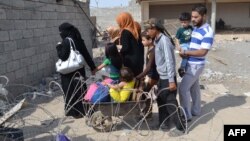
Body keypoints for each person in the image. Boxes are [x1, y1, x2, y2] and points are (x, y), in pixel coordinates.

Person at [144, 18, 185, 131]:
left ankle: (181, 127)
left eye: (148, 30)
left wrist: (171, 81)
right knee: (161, 101)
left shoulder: (164, 41)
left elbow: (169, 61)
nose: (147, 32)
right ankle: (164, 123)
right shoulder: (157, 40)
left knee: (171, 103)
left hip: (168, 78)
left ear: (155, 29)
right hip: (162, 77)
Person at [179, 4, 214, 122]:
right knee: (194, 88)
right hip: (190, 62)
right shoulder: (194, 28)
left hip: (196, 65)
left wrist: (186, 52)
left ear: (204, 16)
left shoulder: (207, 31)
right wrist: (184, 52)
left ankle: (186, 115)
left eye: (196, 17)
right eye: (192, 17)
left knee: (183, 89)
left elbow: (203, 52)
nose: (193, 19)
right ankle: (196, 110)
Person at [56, 22, 96, 118]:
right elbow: (86, 54)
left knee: (70, 91)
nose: (60, 34)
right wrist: (93, 67)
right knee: (80, 90)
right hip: (78, 70)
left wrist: (58, 47)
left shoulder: (66, 41)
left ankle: (74, 112)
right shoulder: (78, 39)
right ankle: (84, 109)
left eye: (61, 32)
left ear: (65, 31)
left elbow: (63, 56)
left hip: (68, 73)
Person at [136, 31, 159, 118]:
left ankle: (148, 112)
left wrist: (138, 77)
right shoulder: (149, 49)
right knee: (147, 95)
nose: (142, 42)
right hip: (150, 75)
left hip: (153, 76)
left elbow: (149, 67)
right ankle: (148, 112)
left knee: (146, 94)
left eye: (143, 40)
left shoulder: (153, 51)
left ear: (150, 40)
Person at [116, 12, 144, 76]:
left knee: (130, 81)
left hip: (130, 62)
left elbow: (125, 48)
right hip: (138, 60)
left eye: (119, 21)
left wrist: (116, 48)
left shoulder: (125, 32)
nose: (118, 23)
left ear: (123, 21)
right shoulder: (135, 30)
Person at [175, 12, 193, 77]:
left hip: (190, 44)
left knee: (190, 57)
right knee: (185, 55)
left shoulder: (191, 28)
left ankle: (187, 70)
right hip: (183, 45)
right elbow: (176, 38)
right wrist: (178, 46)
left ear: (189, 21)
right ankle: (182, 68)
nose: (183, 24)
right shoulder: (180, 30)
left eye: (185, 22)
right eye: (182, 22)